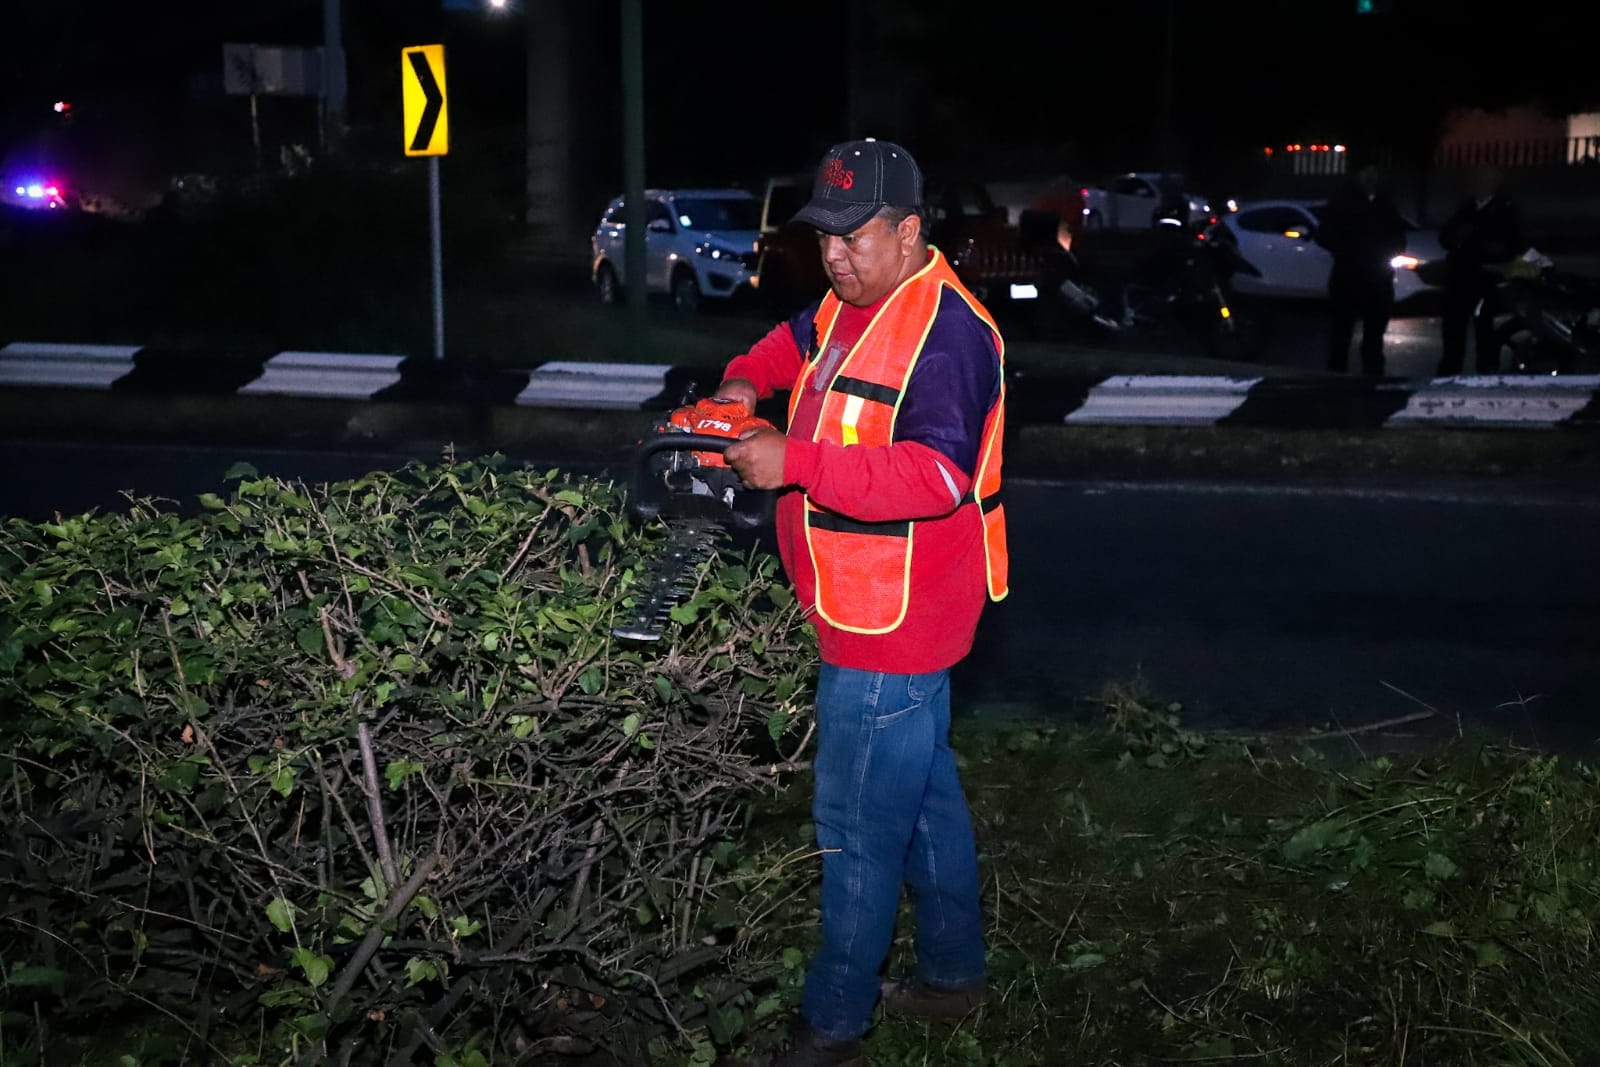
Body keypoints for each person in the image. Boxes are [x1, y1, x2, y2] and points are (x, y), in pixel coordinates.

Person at [713, 138, 1008, 1067]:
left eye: (856, 236)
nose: (835, 254)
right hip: (864, 603)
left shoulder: (948, 333)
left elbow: (933, 474)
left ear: (910, 231)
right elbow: (787, 341)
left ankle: (832, 1026)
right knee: (924, 800)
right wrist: (740, 382)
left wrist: (790, 462)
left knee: (852, 831)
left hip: (892, 625)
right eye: (824, 236)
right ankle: (954, 978)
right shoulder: (852, 304)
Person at [1314, 159, 1410, 376]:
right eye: (1365, 170)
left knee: (1374, 339)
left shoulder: (1385, 202)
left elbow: (1398, 235)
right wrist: (1350, 249)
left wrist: (1388, 252)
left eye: (1374, 169)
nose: (1370, 175)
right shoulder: (1342, 201)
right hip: (1348, 278)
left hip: (1378, 280)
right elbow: (1324, 235)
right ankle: (1335, 383)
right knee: (1341, 336)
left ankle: (1372, 382)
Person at [1437, 166, 1524, 375]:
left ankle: (1485, 371)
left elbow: (1509, 244)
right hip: (1459, 278)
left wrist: (1478, 246)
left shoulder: (1505, 208)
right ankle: (1450, 370)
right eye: (1477, 180)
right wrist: (1460, 241)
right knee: (1453, 329)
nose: (1479, 184)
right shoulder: (1466, 207)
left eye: (1485, 179)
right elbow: (1446, 236)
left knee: (1484, 329)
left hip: (1485, 279)